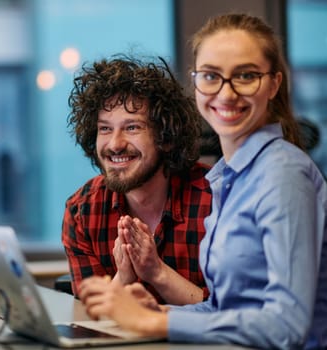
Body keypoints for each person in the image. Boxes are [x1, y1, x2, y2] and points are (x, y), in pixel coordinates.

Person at [78, 13, 327, 350]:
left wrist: (157, 321)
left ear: (273, 84)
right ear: (197, 84)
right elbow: (224, 310)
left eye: (246, 75)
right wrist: (157, 311)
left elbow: (287, 326)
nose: (226, 93)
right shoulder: (232, 177)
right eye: (211, 76)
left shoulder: (281, 174)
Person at [62, 54, 213, 305]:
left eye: (132, 127)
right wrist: (124, 276)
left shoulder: (218, 199)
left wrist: (156, 272)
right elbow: (93, 314)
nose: (115, 144)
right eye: (105, 128)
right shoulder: (82, 211)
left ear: (166, 137)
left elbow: (233, 314)